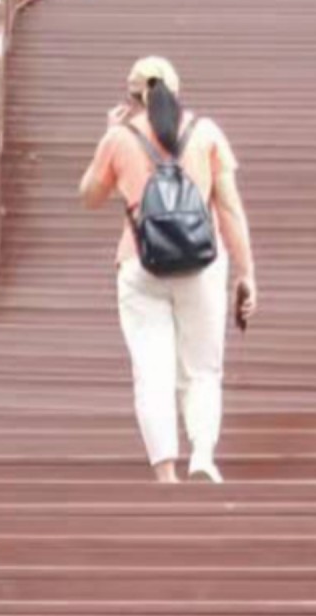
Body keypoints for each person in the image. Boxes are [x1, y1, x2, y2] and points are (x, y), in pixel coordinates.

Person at [79, 56, 256, 484]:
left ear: (132, 97)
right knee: (202, 369)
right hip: (202, 264)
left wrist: (109, 135)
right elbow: (229, 208)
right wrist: (246, 273)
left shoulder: (119, 139)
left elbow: (90, 196)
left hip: (141, 263)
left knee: (152, 371)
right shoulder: (206, 133)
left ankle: (166, 475)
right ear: (177, 92)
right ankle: (203, 456)